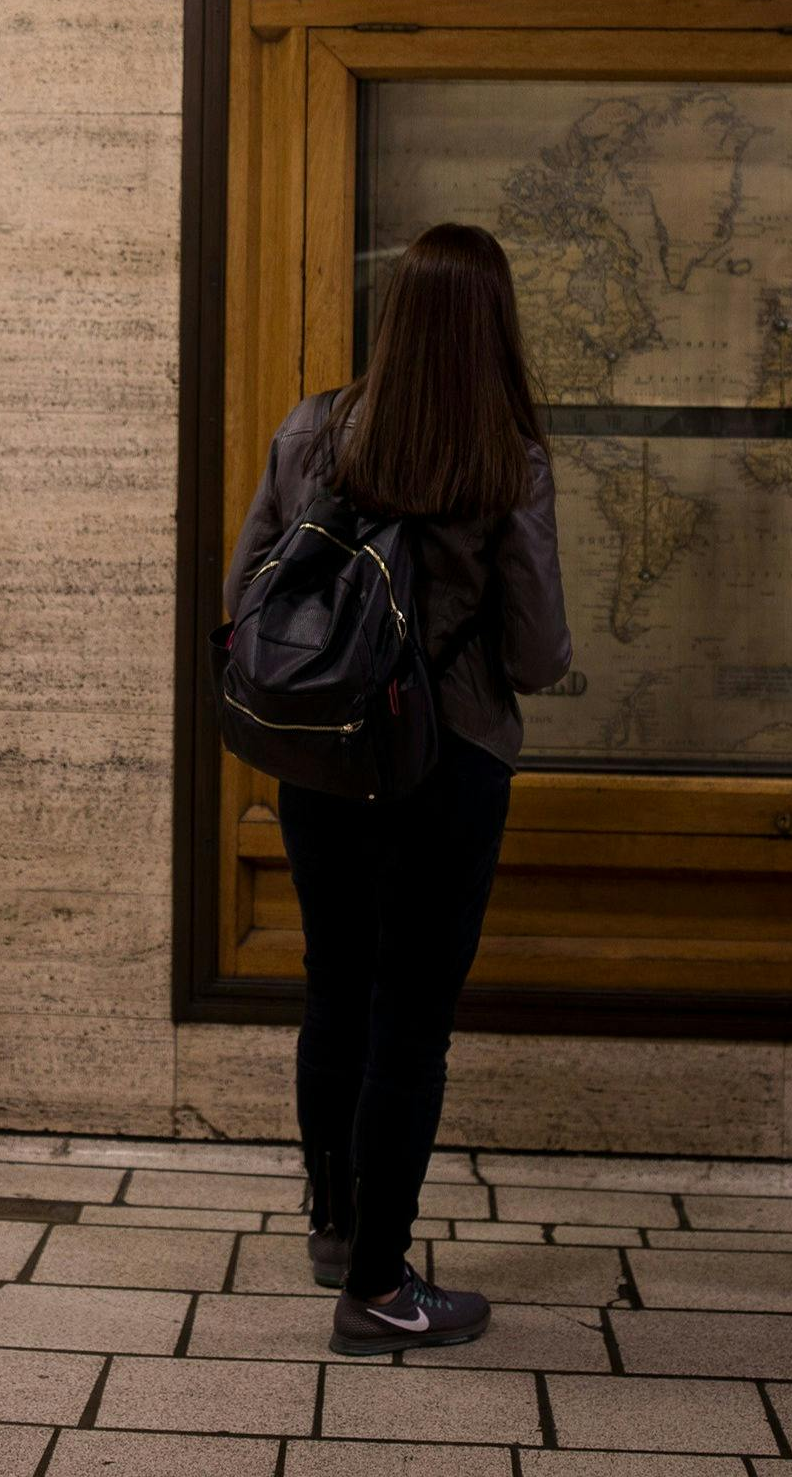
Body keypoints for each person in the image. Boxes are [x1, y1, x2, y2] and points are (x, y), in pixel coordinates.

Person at [228, 222, 572, 1356]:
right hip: (452, 759)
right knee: (412, 1016)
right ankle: (379, 1286)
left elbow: (248, 593)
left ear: (396, 312)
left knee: (336, 980)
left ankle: (336, 1225)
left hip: (324, 751)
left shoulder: (314, 425)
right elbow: (531, 650)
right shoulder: (508, 454)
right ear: (493, 324)